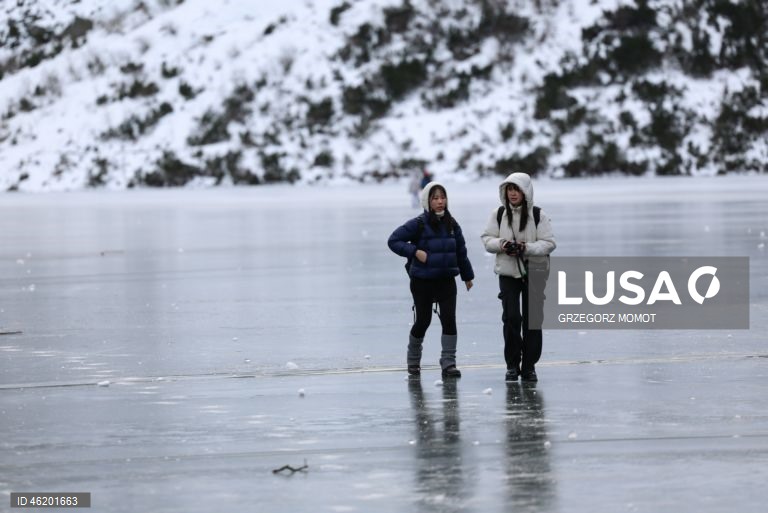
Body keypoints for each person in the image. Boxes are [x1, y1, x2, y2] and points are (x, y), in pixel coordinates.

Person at [388, 182, 474, 378]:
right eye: (435, 198)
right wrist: (415, 251)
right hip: (422, 281)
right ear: (427, 201)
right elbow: (393, 241)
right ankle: (413, 360)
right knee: (423, 320)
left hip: (446, 280)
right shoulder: (418, 223)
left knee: (449, 320)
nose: (440, 202)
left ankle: (448, 363)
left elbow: (460, 251)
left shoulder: (452, 224)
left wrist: (467, 275)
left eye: (442, 197)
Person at [481, 173, 556, 382]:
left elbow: (549, 243)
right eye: (509, 189)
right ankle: (512, 365)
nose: (513, 194)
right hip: (507, 272)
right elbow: (487, 239)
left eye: (516, 189)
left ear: (525, 192)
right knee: (511, 318)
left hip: (534, 272)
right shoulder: (498, 214)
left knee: (533, 320)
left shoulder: (538, 215)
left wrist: (525, 248)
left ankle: (529, 366)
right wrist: (503, 245)